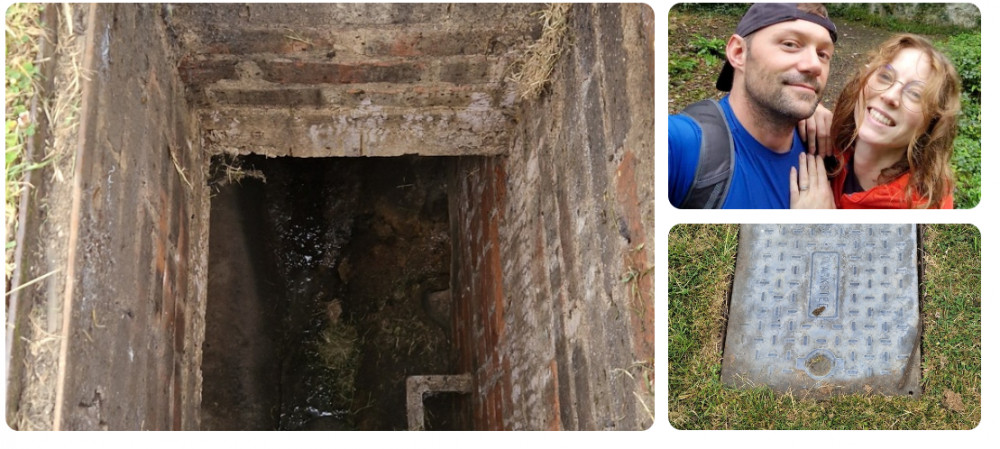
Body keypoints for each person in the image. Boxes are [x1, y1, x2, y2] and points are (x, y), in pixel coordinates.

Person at [668, 3, 837, 209]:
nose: (814, 65)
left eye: (823, 54)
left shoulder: (826, 147)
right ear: (739, 53)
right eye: (790, 44)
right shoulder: (683, 144)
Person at [791, 34, 961, 209]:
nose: (889, 96)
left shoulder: (926, 214)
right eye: (886, 76)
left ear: (932, 123)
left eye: (915, 94)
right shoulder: (828, 141)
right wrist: (807, 107)